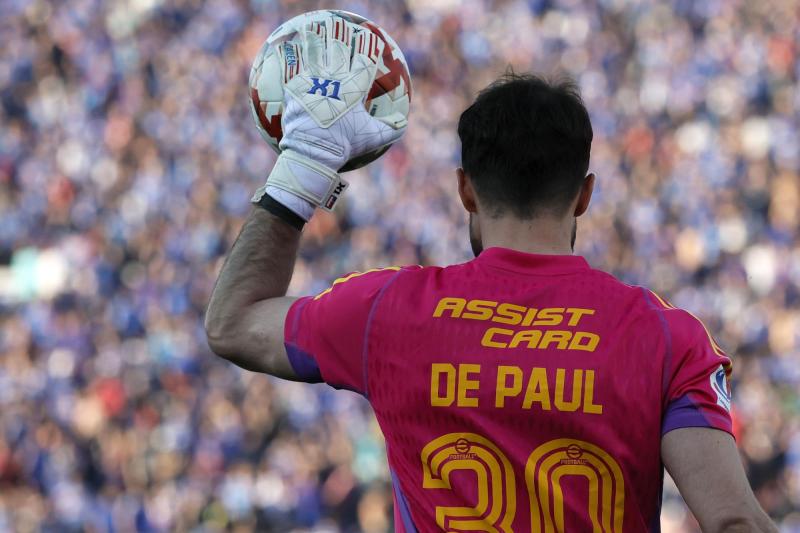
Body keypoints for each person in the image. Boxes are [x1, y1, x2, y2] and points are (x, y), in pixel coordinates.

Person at [205, 17, 776, 532]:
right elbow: (734, 523)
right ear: (584, 195)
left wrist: (303, 166)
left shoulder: (388, 310)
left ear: (465, 190)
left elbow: (232, 323)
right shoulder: (665, 337)